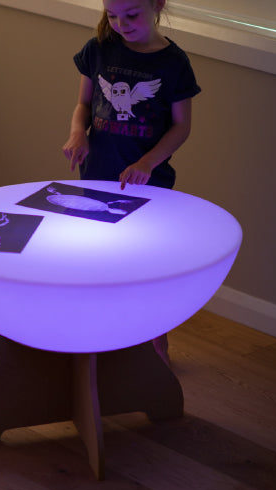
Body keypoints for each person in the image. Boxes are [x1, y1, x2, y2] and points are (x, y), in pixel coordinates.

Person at [62, 0, 201, 366]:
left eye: (132, 14)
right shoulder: (98, 49)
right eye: (112, 15)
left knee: (146, 269)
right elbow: (83, 105)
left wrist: (146, 162)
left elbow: (181, 126)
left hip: (147, 186)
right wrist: (78, 134)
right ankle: (103, 345)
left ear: (156, 5)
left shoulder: (173, 63)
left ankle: (157, 349)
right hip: (97, 178)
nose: (121, 24)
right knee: (100, 264)